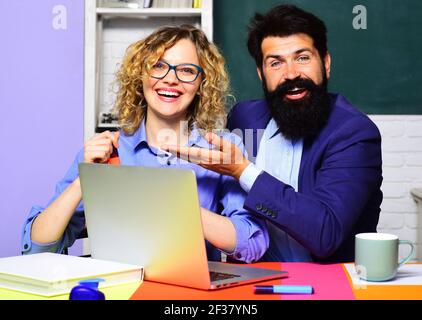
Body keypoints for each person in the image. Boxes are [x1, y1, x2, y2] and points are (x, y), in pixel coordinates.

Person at [21, 25, 269, 263]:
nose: (171, 79)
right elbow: (37, 250)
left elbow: (253, 243)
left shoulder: (223, 147)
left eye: (186, 70)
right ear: (140, 75)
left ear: (202, 84)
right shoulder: (108, 150)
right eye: (158, 66)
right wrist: (82, 179)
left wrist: (176, 206)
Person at [162, 6, 383, 263]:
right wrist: (116, 143)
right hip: (255, 280)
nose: (291, 74)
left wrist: (243, 171)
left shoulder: (354, 134)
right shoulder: (244, 118)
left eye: (302, 58)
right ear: (261, 73)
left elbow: (326, 233)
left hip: (328, 281)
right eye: (275, 63)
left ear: (326, 63)